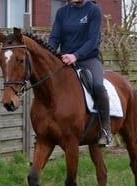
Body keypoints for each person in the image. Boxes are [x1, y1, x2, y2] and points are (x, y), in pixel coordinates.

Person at [48, 0, 112, 147]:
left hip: (88, 59)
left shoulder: (93, 10)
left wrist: (76, 55)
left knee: (97, 86)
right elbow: (54, 38)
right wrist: (49, 54)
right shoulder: (62, 12)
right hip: (65, 60)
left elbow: (92, 40)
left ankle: (106, 129)